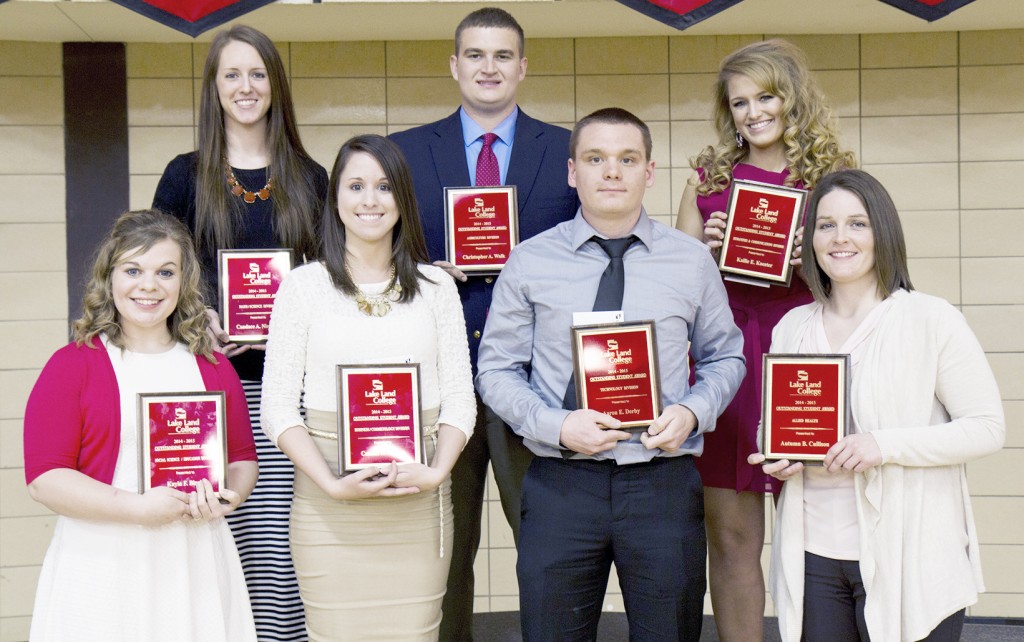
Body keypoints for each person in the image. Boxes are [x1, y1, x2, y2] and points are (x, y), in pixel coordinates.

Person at [477, 108, 745, 640]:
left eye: (627, 159)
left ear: (649, 172)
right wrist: (554, 424)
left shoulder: (690, 261)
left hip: (661, 481)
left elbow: (725, 356)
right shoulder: (530, 261)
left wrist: (693, 411)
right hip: (561, 482)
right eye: (596, 159)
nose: (612, 172)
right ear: (573, 171)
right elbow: (497, 369)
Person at [748, 169, 1005, 641]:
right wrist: (775, 453)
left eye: (857, 223)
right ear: (810, 239)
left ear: (882, 232)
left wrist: (881, 446)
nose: (839, 238)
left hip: (908, 554)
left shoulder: (930, 318)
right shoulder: (792, 327)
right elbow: (779, 421)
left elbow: (987, 427)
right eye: (826, 225)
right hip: (814, 556)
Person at [389, 8, 579, 638]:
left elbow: (589, 249)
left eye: (502, 56)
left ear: (523, 67)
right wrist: (418, 270)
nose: (488, 67)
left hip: (539, 380)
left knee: (547, 548)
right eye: (475, 55)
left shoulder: (568, 152)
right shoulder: (407, 154)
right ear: (454, 65)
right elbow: (374, 253)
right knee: (448, 550)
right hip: (441, 380)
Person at [674, 39, 857, 640]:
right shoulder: (707, 181)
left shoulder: (835, 178)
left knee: (820, 535)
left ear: (793, 99)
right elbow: (674, 285)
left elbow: (864, 278)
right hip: (726, 362)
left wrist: (812, 252)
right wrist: (705, 251)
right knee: (730, 537)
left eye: (766, 97)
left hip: (807, 358)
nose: (753, 112)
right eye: (740, 102)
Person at [260, 134, 476, 641]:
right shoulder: (302, 287)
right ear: (335, 197)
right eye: (355, 186)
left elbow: (461, 400)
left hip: (417, 506)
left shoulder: (436, 288)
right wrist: (331, 484)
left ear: (402, 197)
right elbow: (278, 409)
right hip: (327, 507)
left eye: (383, 187)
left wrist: (436, 472)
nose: (370, 200)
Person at [152, 24, 328, 640]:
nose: (245, 86)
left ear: (275, 85)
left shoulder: (310, 177)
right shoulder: (184, 175)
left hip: (285, 394)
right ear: (214, 87)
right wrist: (201, 314)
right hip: (204, 391)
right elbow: (157, 271)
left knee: (277, 558)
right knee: (206, 545)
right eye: (232, 74)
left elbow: (333, 284)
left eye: (258, 74)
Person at [23, 210, 258, 641]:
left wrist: (228, 498)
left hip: (196, 557)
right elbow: (45, 478)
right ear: (109, 278)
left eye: (165, 272)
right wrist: (136, 509)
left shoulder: (214, 367)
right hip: (103, 561)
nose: (148, 285)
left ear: (183, 281)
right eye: (133, 270)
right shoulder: (73, 365)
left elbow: (242, 460)